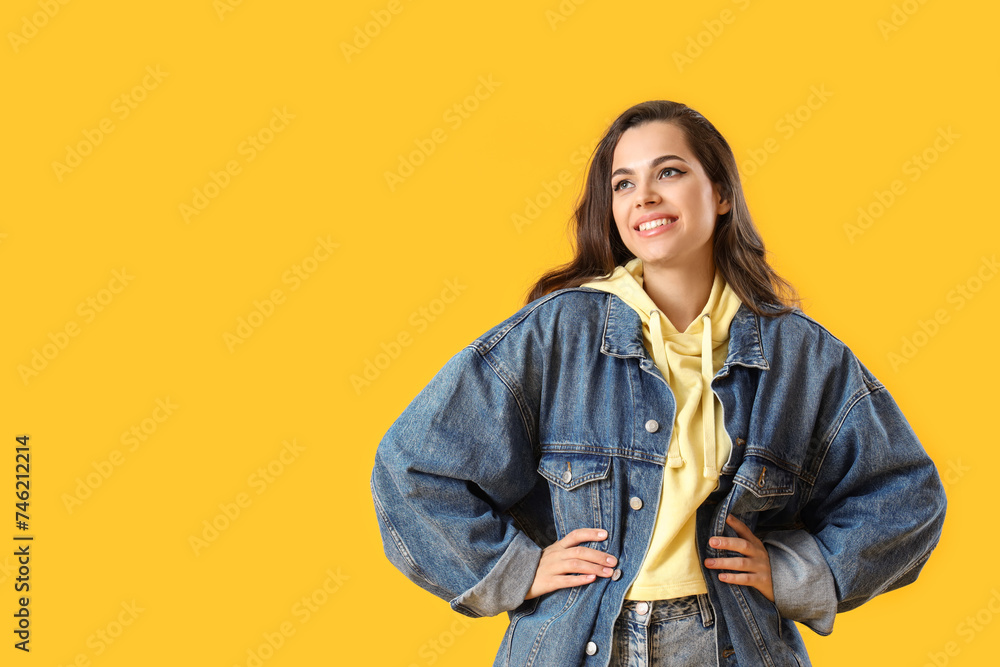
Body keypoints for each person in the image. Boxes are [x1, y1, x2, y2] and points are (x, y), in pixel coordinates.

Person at [370, 100, 947, 667]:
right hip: (576, 644)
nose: (643, 196)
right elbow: (412, 468)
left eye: (668, 172)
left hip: (731, 645)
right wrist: (517, 571)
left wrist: (795, 571)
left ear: (721, 194)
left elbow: (905, 496)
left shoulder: (800, 354)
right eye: (623, 184)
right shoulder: (557, 333)